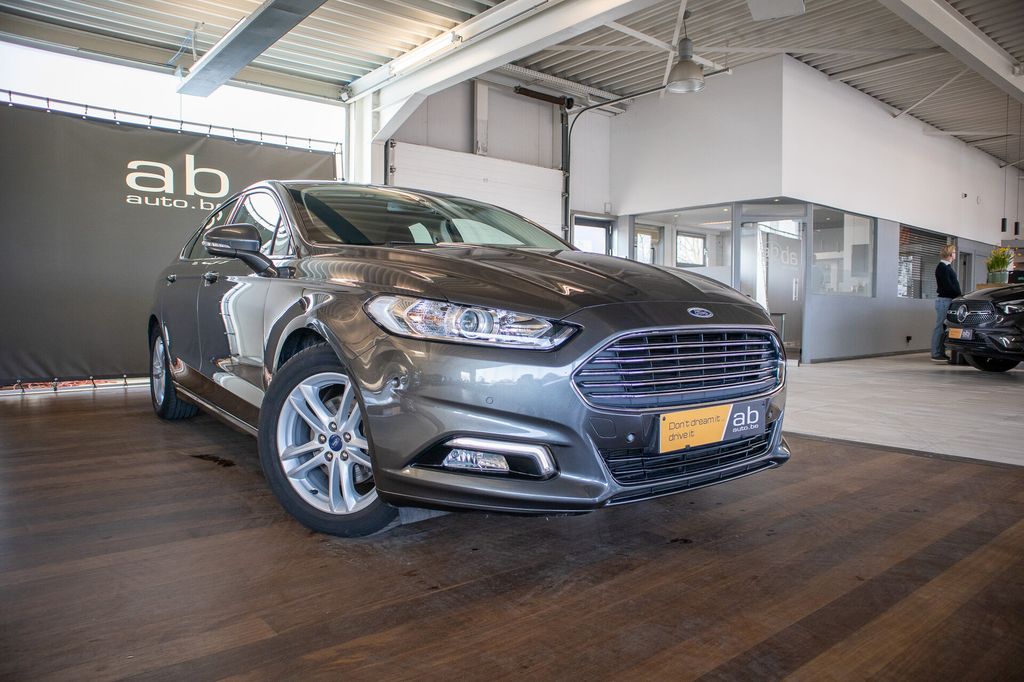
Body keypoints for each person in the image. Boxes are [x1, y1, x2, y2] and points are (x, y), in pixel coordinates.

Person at [932, 244, 961, 361]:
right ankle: (936, 353)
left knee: (944, 328)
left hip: (948, 300)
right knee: (940, 327)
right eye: (954, 252)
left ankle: (941, 352)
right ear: (950, 254)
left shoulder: (946, 267)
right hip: (944, 301)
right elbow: (948, 286)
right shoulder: (942, 267)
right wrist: (959, 295)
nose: (955, 254)